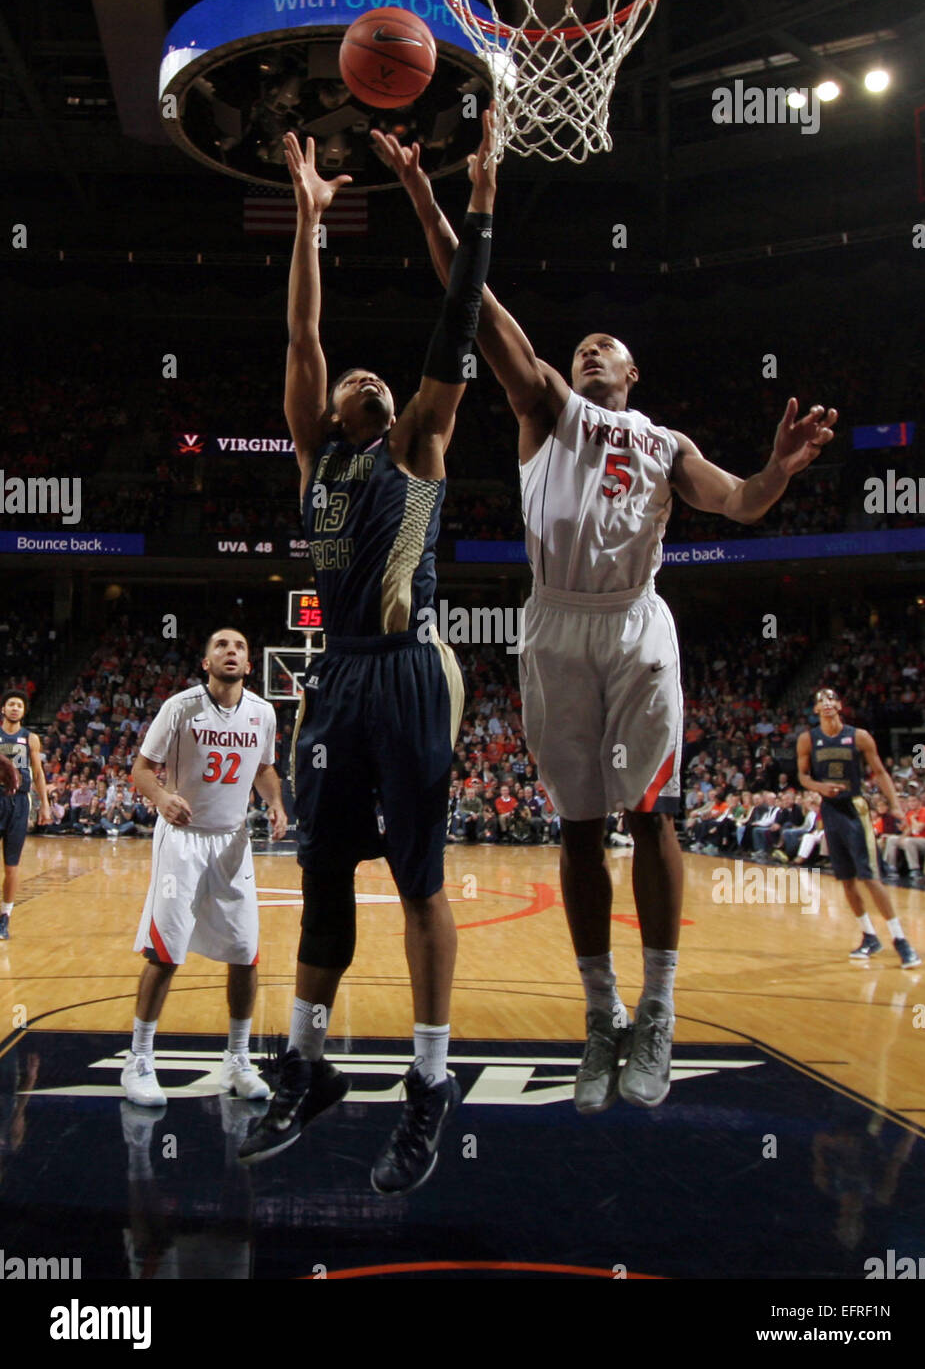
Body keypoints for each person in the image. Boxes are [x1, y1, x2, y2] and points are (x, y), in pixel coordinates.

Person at [378, 131, 838, 1112]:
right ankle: (600, 1017)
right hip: (551, 627)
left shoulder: (667, 444)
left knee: (652, 812)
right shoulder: (542, 403)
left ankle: (658, 1009)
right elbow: (471, 299)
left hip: (634, 626)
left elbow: (740, 503)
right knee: (578, 830)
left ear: (629, 374)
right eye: (581, 341)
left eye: (608, 345)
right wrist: (427, 196)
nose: (590, 345)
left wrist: (778, 470)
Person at [238, 115, 497, 1198]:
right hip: (334, 677)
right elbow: (302, 337)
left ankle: (428, 1083)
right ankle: (307, 1060)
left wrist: (473, 205)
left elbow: (454, 321)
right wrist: (306, 222)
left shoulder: (423, 439)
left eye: (380, 379)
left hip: (409, 669)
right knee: (324, 867)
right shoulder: (314, 454)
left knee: (421, 875)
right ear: (332, 405)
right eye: (355, 378)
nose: (369, 377)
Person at [121, 630, 286, 1106]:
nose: (231, 651)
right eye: (221, 646)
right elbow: (142, 768)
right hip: (183, 840)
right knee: (165, 950)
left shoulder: (263, 712)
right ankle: (139, 1060)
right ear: (205, 661)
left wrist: (275, 803)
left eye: (239, 647)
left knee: (245, 951)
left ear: (250, 664)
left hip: (233, 841)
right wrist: (162, 798)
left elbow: (264, 768)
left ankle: (236, 1060)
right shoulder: (180, 707)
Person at [797, 689, 920, 967]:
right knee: (846, 879)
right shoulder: (808, 739)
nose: (827, 703)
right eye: (820, 700)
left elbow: (880, 772)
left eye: (831, 699)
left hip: (855, 809)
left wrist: (896, 806)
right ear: (815, 709)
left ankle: (901, 940)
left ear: (839, 705)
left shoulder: (859, 736)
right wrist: (820, 788)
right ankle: (869, 936)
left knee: (869, 877)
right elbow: (803, 776)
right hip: (830, 810)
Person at [0, 691, 52, 939]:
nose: (14, 708)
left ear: (23, 711)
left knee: (12, 865)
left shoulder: (30, 738)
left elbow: (39, 773)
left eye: (19, 705)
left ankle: (5, 917)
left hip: (19, 802)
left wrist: (45, 804)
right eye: (10, 704)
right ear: (3, 709)